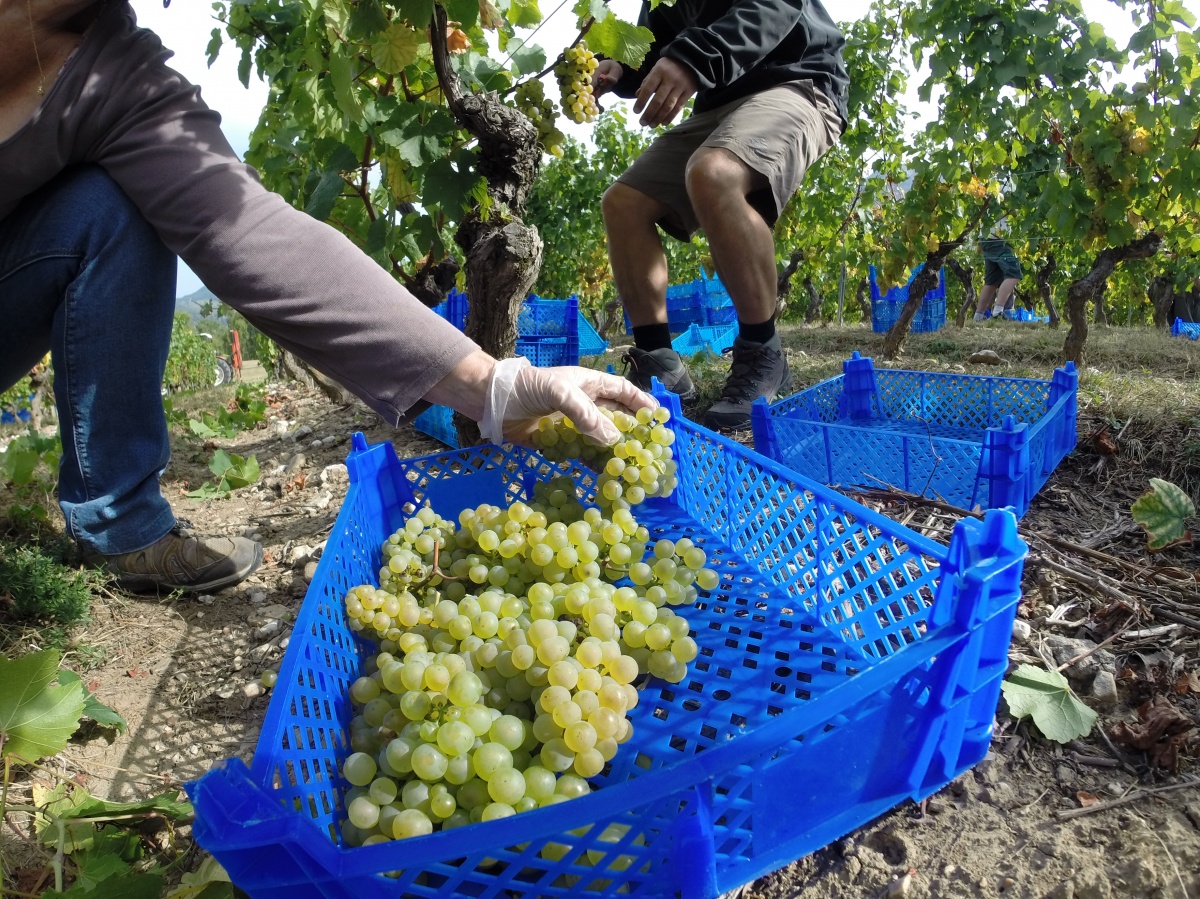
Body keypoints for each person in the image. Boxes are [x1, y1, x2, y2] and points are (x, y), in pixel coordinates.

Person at [0, 0, 653, 596]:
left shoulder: (115, 71)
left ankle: (122, 526)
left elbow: (252, 236)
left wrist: (495, 386)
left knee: (112, 203)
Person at [592, 0, 848, 431]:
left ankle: (763, 350)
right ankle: (660, 364)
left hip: (798, 82)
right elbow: (652, 46)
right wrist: (617, 67)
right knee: (624, 203)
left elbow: (774, 7)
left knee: (715, 173)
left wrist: (693, 60)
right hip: (720, 103)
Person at [974, 236, 1023, 321]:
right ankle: (997, 313)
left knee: (992, 281)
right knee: (1013, 275)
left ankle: (978, 316)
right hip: (999, 240)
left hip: (987, 239)